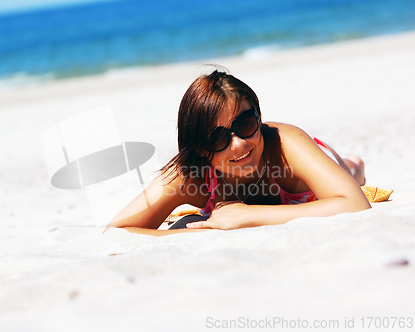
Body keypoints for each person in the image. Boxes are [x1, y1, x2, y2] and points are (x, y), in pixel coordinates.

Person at [104, 68, 370, 236]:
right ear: (199, 147)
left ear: (259, 117)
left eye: (245, 124)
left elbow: (354, 203)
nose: (239, 144)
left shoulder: (286, 143)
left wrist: (248, 215)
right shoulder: (188, 175)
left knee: (351, 172)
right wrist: (204, 231)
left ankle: (354, 164)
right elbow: (119, 231)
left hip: (313, 167)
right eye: (218, 138)